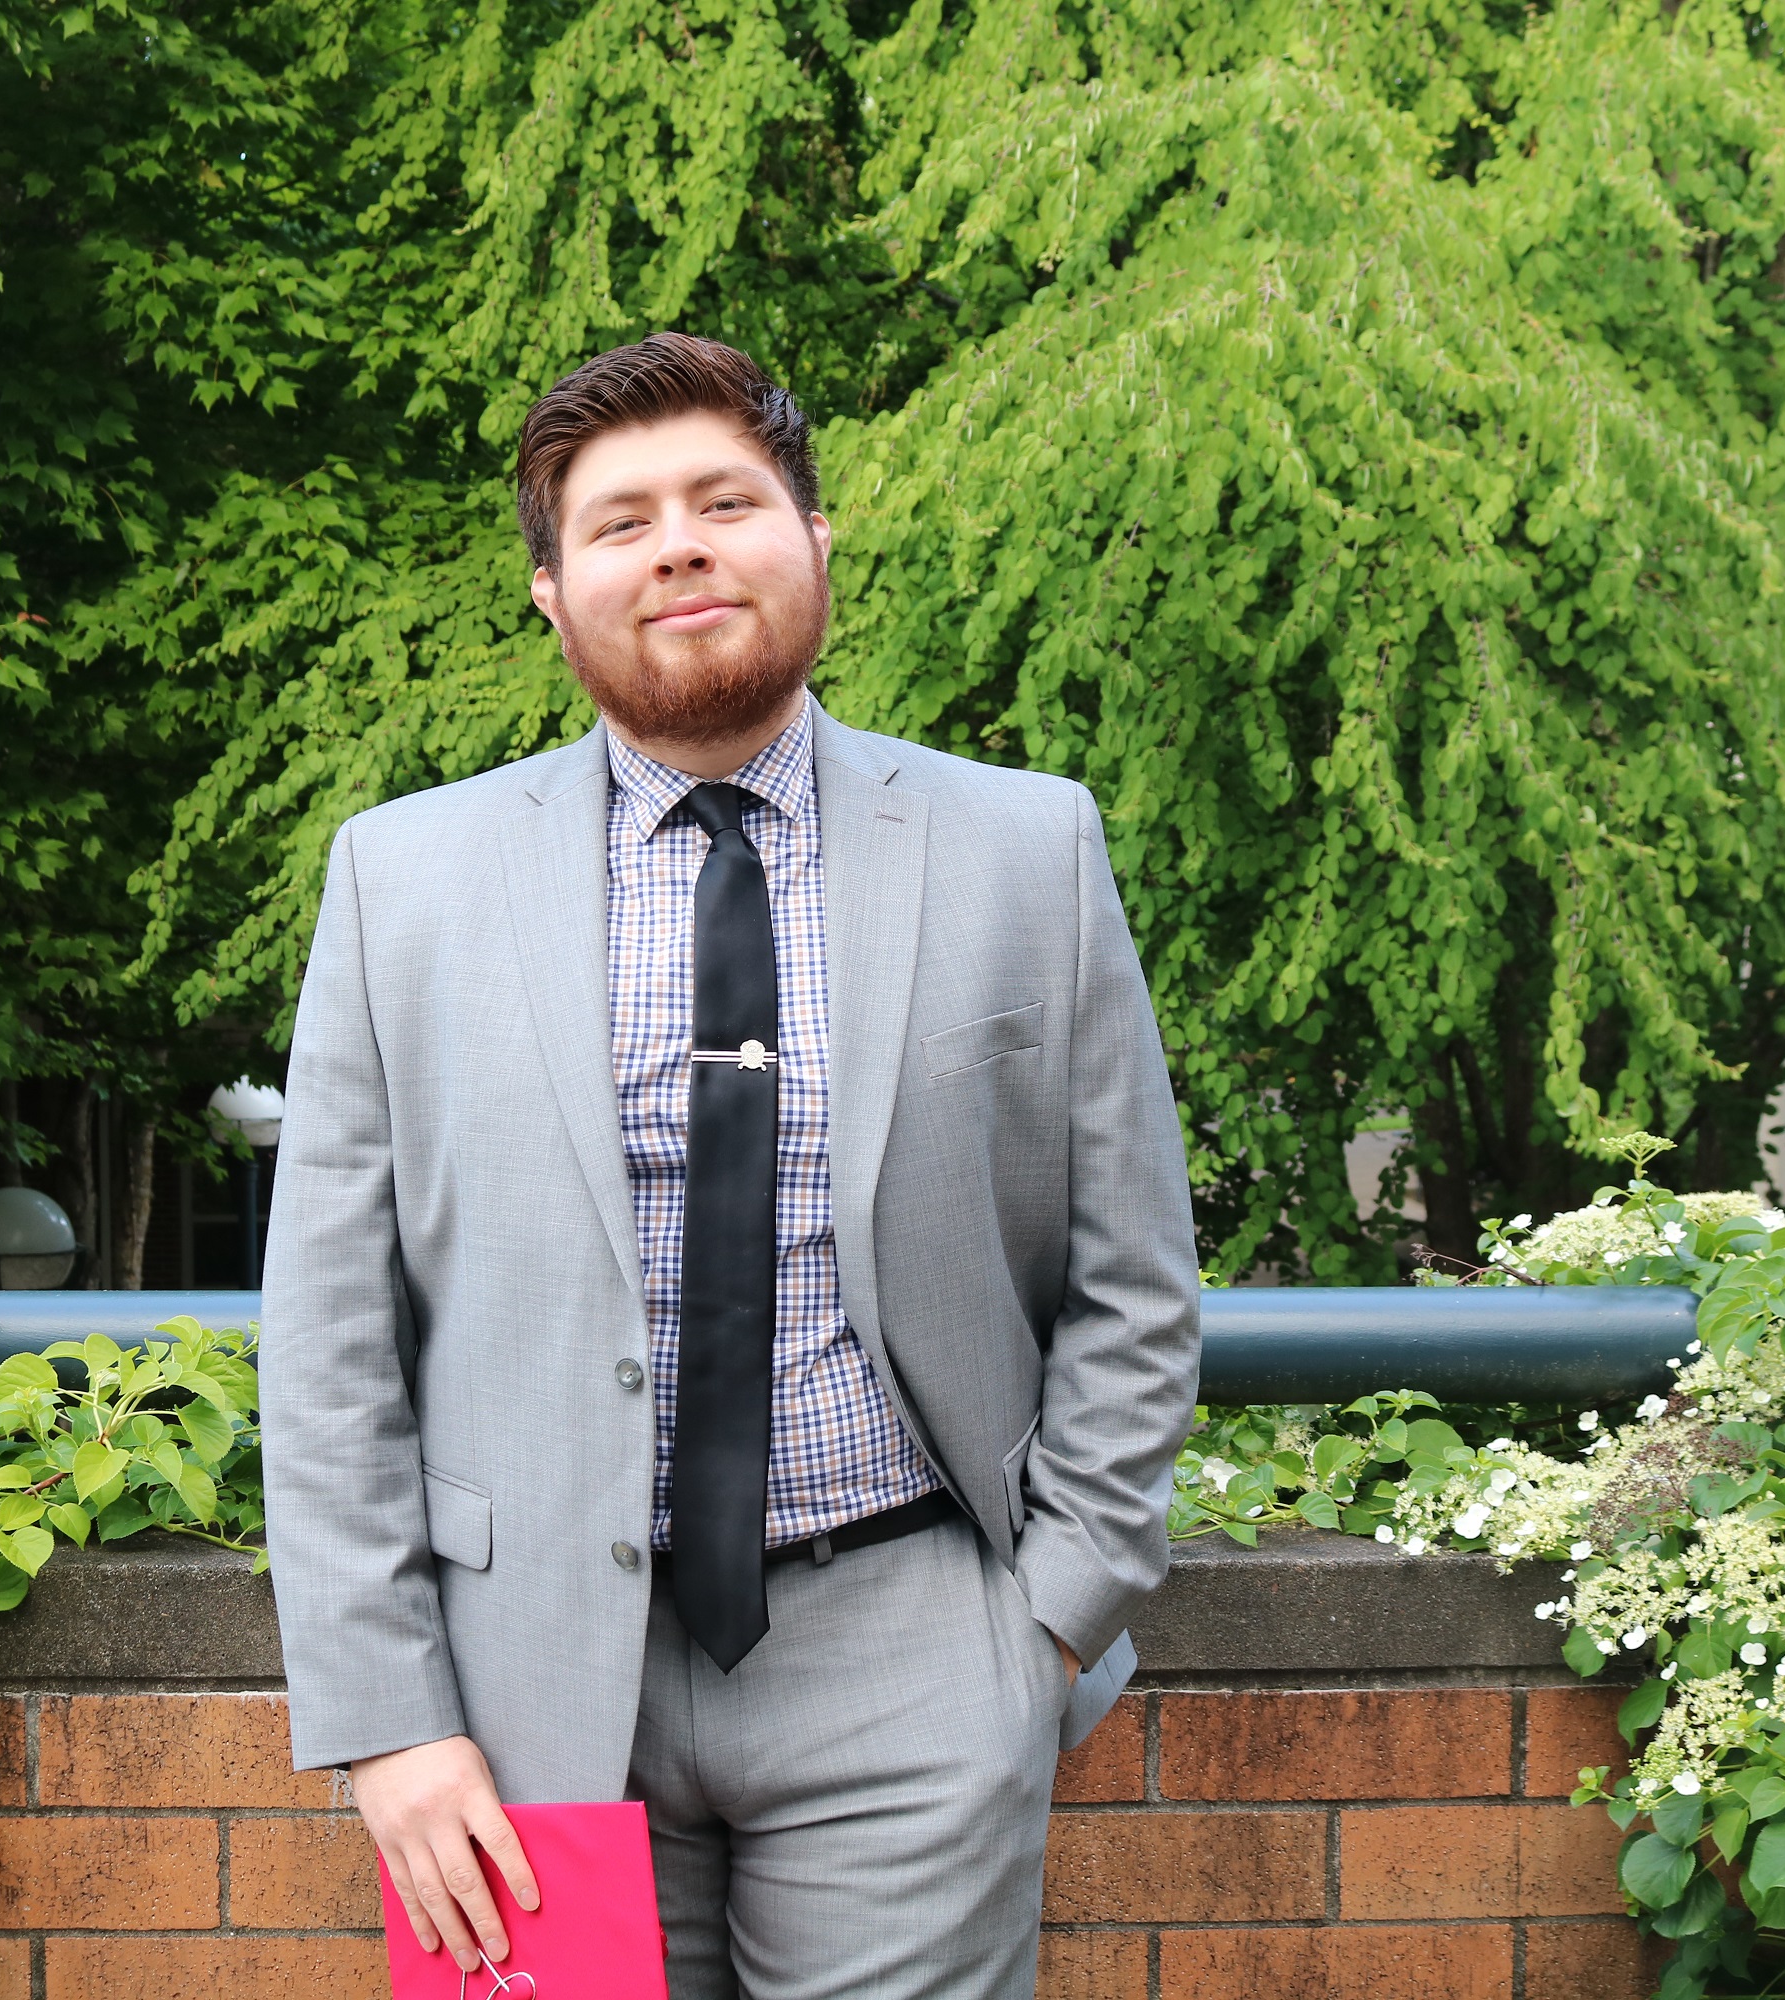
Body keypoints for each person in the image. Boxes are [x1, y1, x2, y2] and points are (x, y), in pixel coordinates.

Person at [259, 330, 1200, 2000]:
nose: (679, 547)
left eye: (725, 502)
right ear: (553, 595)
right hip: (521, 1688)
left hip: (914, 1651)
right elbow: (331, 1340)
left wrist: (1045, 1626)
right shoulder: (401, 883)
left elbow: (1133, 1275)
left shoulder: (1025, 849)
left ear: (814, 542)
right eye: (621, 523)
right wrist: (390, 1720)